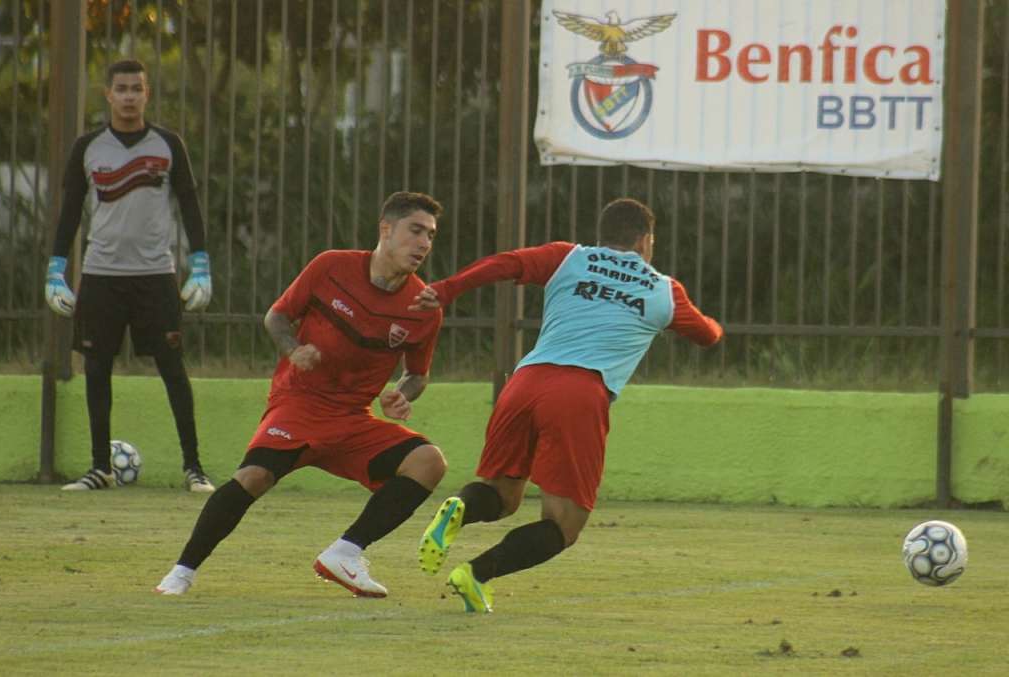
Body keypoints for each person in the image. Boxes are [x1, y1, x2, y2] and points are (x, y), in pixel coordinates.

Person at [411, 197, 723, 613]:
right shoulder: (664, 290)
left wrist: (446, 290)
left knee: (502, 495)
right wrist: (714, 326)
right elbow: (707, 335)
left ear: (603, 234)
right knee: (563, 524)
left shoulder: (567, 257)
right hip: (579, 393)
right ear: (646, 241)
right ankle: (476, 573)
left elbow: (505, 263)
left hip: (524, 383)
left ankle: (461, 508)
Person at [155, 191, 447, 598]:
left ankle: (345, 553)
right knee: (254, 476)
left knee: (428, 462)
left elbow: (417, 375)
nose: (423, 244)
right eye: (415, 231)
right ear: (386, 229)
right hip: (300, 403)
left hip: (353, 419)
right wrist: (294, 350)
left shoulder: (425, 307)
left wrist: (402, 394)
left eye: (430, 236)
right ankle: (182, 572)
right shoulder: (331, 267)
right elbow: (276, 316)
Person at [45, 59, 215, 493]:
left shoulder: (168, 144)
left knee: (173, 370)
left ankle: (194, 468)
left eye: (136, 88)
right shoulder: (88, 147)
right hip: (101, 276)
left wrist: (201, 264)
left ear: (147, 94)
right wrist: (55, 270)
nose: (128, 96)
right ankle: (100, 468)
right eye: (120, 88)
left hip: (156, 276)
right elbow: (68, 215)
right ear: (108, 94)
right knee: (97, 369)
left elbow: (190, 207)